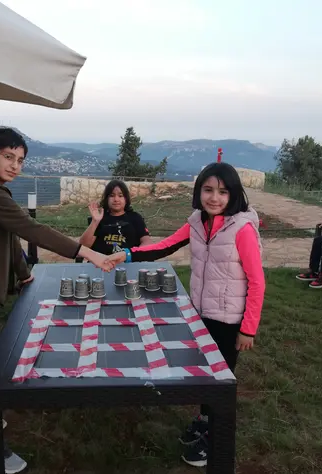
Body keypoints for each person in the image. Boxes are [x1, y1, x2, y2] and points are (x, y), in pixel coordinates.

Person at [0, 127, 113, 474]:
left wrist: (23, 274)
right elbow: (31, 229)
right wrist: (87, 253)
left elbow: (10, 237)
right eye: (8, 157)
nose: (15, 165)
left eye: (20, 160)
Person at [105, 162, 265, 468]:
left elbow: (257, 281)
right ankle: (205, 420)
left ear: (234, 195)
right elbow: (165, 246)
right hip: (201, 313)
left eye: (223, 192)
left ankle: (215, 438)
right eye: (208, 190)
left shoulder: (242, 229)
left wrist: (248, 329)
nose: (214, 198)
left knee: (221, 380)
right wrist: (128, 254)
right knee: (204, 373)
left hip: (229, 320)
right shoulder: (197, 222)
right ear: (198, 192)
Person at [78, 179, 152, 255]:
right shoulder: (99, 218)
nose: (116, 199)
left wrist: (131, 256)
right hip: (100, 261)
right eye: (112, 196)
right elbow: (83, 247)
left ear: (126, 199)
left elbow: (147, 242)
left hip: (127, 260)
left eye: (120, 196)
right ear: (107, 199)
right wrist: (95, 221)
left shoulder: (135, 218)